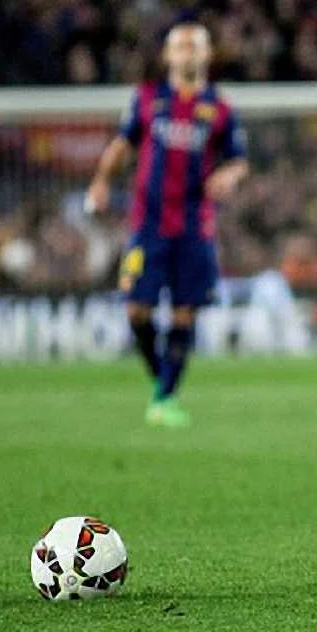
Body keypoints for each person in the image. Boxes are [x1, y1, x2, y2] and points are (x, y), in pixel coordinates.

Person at [86, 23, 248, 427]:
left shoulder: (220, 108)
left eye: (195, 45)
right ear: (168, 55)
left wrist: (228, 176)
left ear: (207, 55)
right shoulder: (146, 99)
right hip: (148, 225)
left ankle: (164, 397)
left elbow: (238, 160)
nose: (188, 51)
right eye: (181, 45)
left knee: (183, 314)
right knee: (136, 311)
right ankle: (164, 382)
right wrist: (101, 181)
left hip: (195, 228)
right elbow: (122, 144)